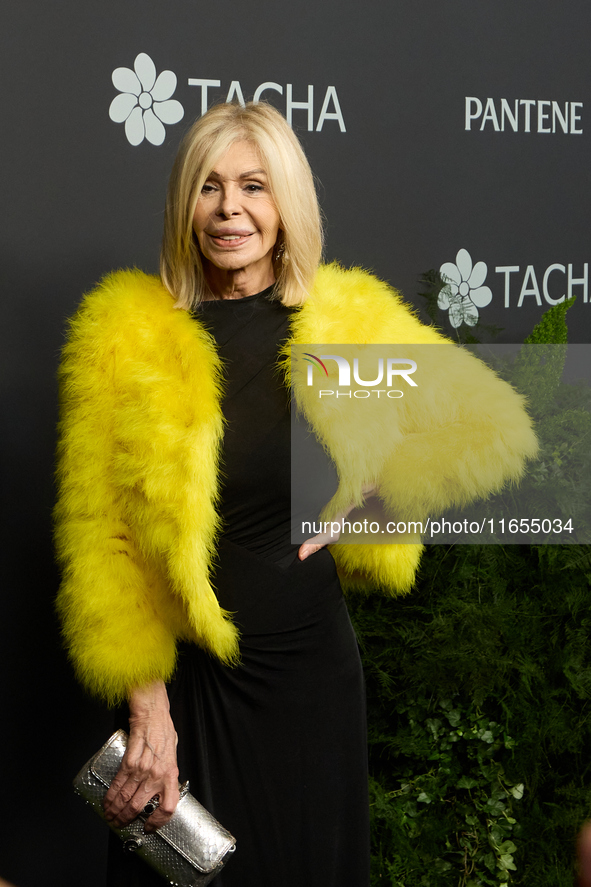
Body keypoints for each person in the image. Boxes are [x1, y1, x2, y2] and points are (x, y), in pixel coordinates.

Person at [54, 101, 538, 886]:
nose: (229, 209)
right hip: (188, 685)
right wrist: (148, 710)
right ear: (186, 203)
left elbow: (493, 424)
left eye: (253, 184)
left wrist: (378, 490)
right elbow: (99, 539)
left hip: (309, 677)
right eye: (208, 187)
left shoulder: (344, 320)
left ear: (287, 201)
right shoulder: (123, 331)